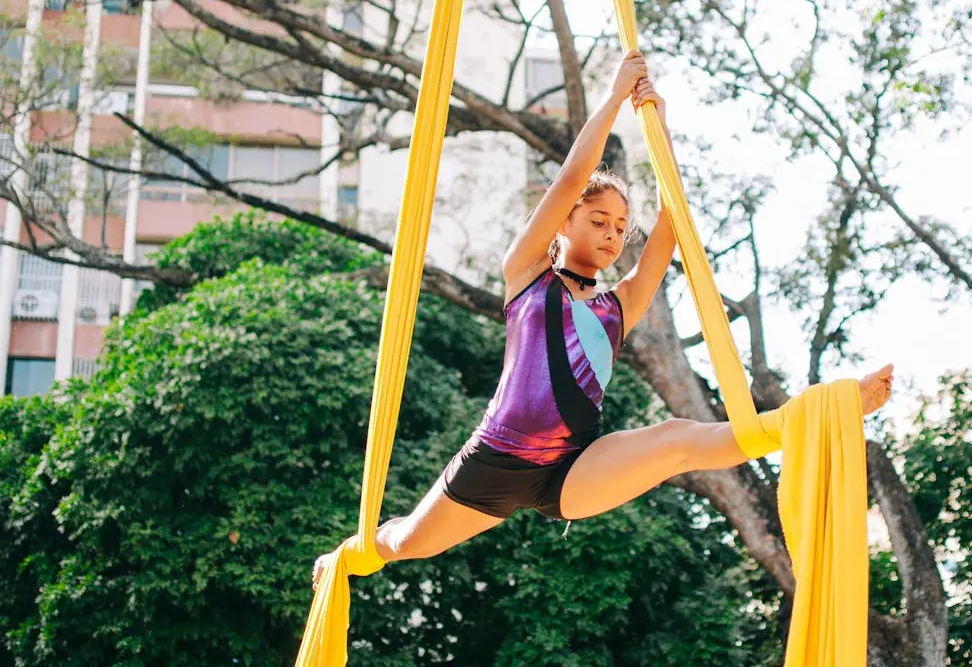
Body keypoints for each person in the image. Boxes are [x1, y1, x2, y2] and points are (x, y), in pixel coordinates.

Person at [312, 50, 893, 588]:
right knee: (407, 542)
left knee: (678, 440)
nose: (613, 234)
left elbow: (673, 223)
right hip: (494, 458)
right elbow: (571, 178)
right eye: (599, 220)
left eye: (620, 227)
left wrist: (657, 125)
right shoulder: (528, 276)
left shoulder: (621, 305)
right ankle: (347, 554)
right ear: (565, 221)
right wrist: (616, 98)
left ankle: (810, 416)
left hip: (571, 469)